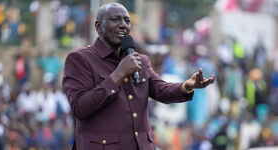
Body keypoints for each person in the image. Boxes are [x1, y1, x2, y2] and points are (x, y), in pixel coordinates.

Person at [62, 3, 215, 150]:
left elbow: (160, 89)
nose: (123, 24)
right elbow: (79, 108)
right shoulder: (80, 59)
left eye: (127, 21)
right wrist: (118, 74)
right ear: (98, 26)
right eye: (115, 19)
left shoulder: (139, 60)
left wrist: (186, 86)